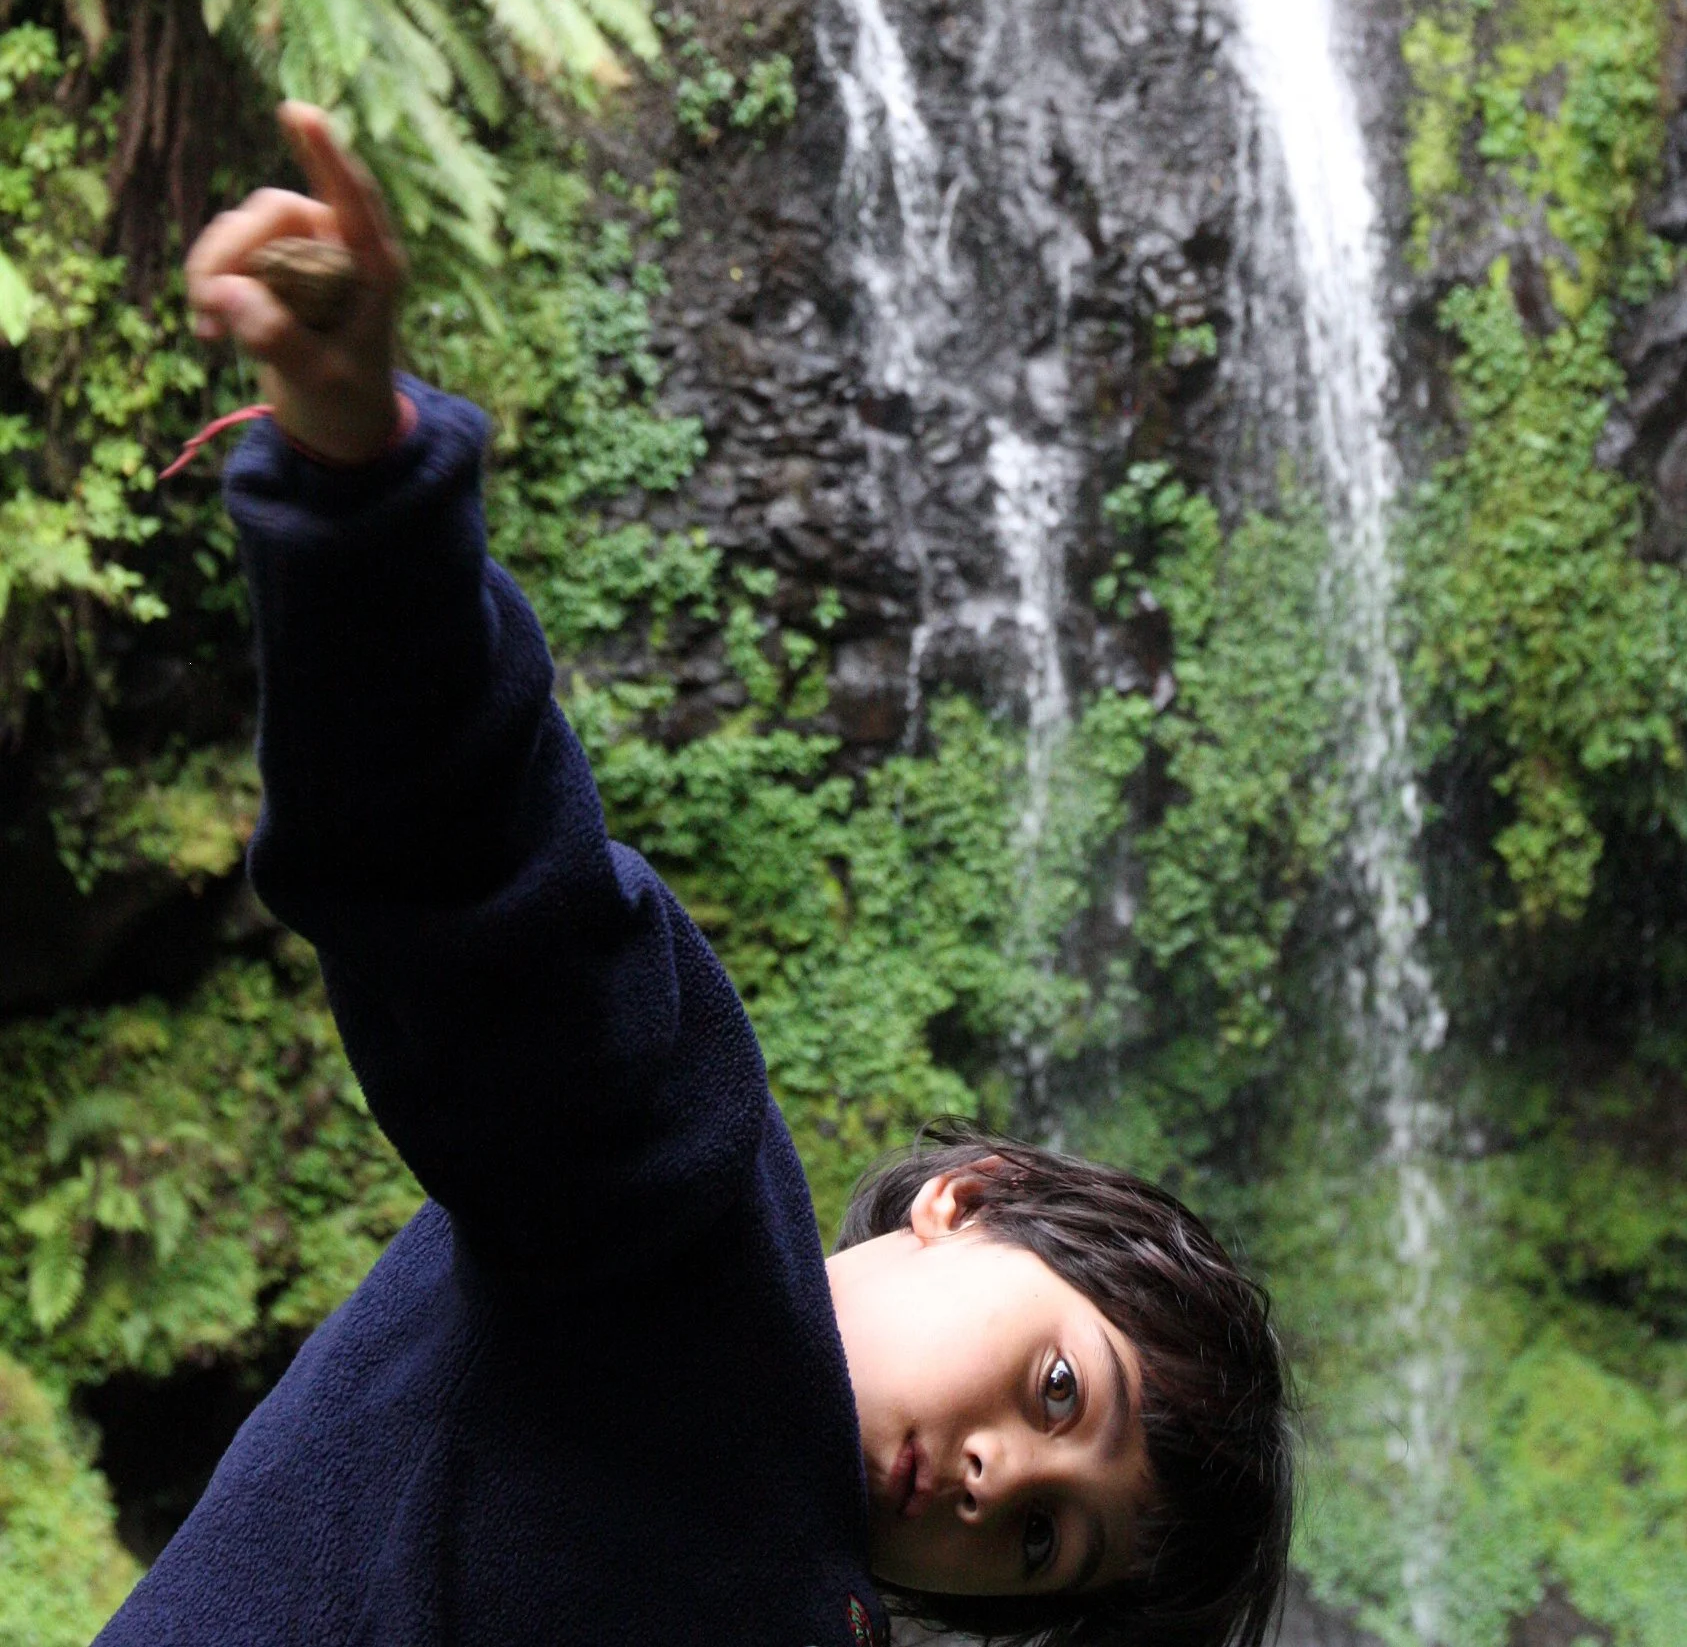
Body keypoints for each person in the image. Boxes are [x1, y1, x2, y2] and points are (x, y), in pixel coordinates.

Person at [97, 103, 1294, 1647]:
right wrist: (362, 483)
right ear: (963, 1203)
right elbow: (483, 907)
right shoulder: (667, 1227)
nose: (1002, 1479)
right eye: (1061, 1388)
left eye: (1048, 1545)